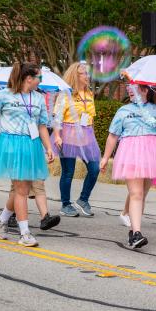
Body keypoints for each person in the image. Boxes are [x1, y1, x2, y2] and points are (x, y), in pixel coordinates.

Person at [0, 62, 55, 247]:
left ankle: (1, 220)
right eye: (39, 77)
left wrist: (48, 147)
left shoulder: (39, 98)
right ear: (29, 79)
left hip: (31, 145)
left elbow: (42, 125)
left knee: (21, 188)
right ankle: (25, 233)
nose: (41, 80)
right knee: (22, 189)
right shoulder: (6, 95)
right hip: (10, 143)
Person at [100, 84, 156, 249]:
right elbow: (113, 135)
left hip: (151, 155)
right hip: (130, 153)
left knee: (141, 194)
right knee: (135, 193)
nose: (129, 89)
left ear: (145, 90)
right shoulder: (123, 111)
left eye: (133, 87)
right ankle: (136, 233)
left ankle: (133, 231)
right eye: (128, 88)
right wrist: (105, 157)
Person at [52, 62, 101, 217]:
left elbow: (90, 118)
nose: (88, 76)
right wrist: (58, 136)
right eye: (84, 73)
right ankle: (65, 204)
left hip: (86, 136)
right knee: (68, 172)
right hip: (68, 136)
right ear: (75, 75)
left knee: (94, 169)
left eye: (88, 73)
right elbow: (57, 118)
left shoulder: (89, 94)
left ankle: (83, 199)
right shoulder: (65, 94)